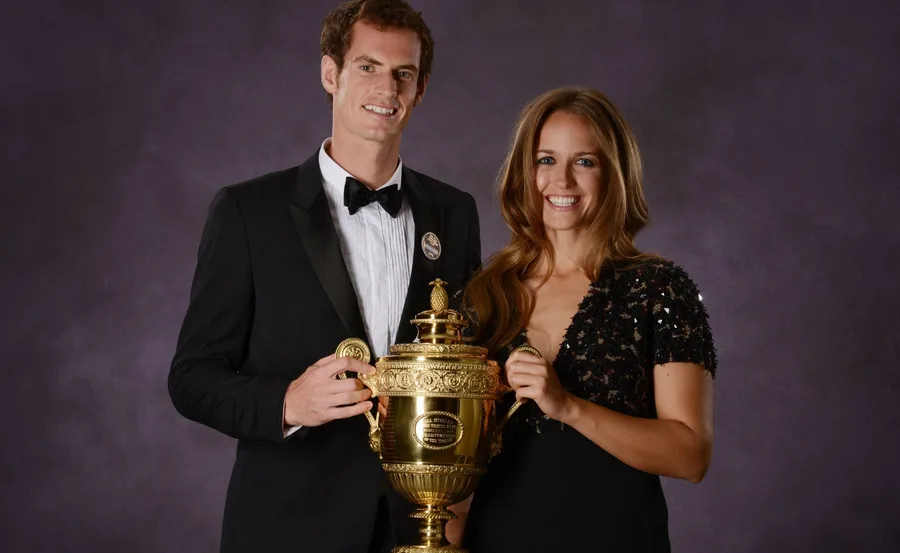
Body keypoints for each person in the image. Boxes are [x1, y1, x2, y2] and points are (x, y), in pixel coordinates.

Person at [167, 1, 482, 552]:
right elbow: (192, 379)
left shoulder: (454, 213)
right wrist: (288, 402)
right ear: (330, 73)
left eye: (402, 73)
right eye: (367, 66)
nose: (386, 88)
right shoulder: (248, 212)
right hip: (287, 527)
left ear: (420, 88)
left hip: (419, 528)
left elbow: (468, 360)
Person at [447, 87, 717, 552]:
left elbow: (690, 455)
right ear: (524, 173)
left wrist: (567, 405)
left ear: (614, 174)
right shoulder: (482, 295)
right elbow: (452, 461)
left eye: (585, 162)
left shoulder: (657, 288)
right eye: (546, 160)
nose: (562, 180)